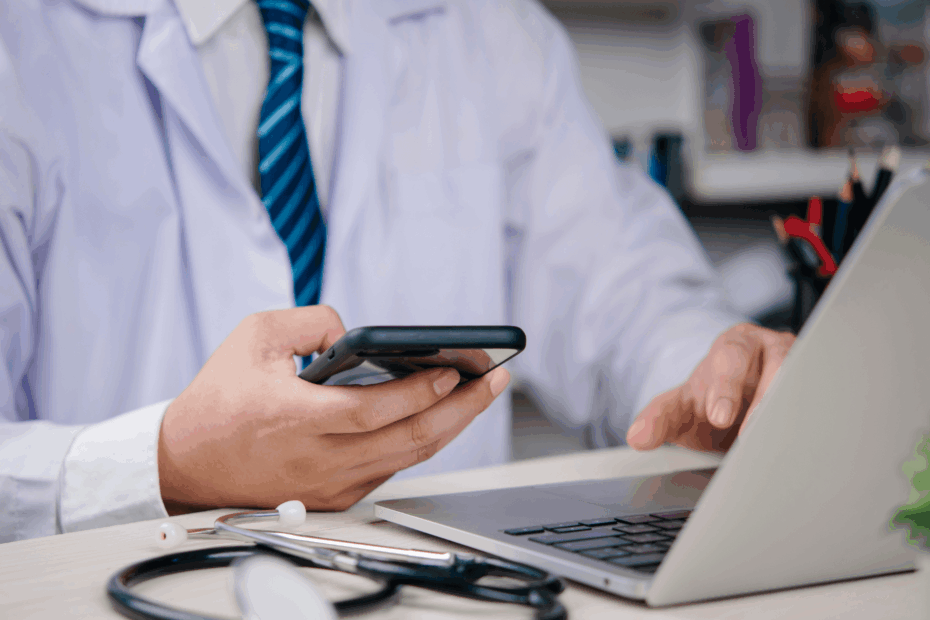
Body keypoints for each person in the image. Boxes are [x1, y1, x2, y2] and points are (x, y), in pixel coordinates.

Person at [0, 0, 794, 542]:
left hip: (441, 590)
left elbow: (623, 287)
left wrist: (713, 377)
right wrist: (164, 462)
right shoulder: (25, 39)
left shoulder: (486, 26)